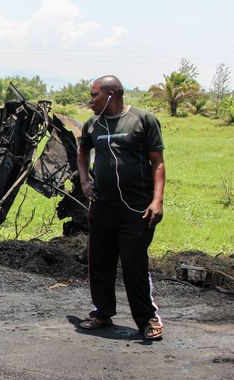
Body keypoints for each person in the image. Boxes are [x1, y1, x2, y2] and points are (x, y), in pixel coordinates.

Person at [76, 75, 166, 340]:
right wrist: (84, 180)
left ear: (111, 95)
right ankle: (102, 312)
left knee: (134, 262)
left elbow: (158, 163)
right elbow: (82, 152)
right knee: (100, 261)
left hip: (136, 209)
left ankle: (147, 318)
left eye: (94, 95)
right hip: (102, 206)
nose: (90, 101)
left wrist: (157, 200)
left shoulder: (142, 120)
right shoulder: (93, 124)